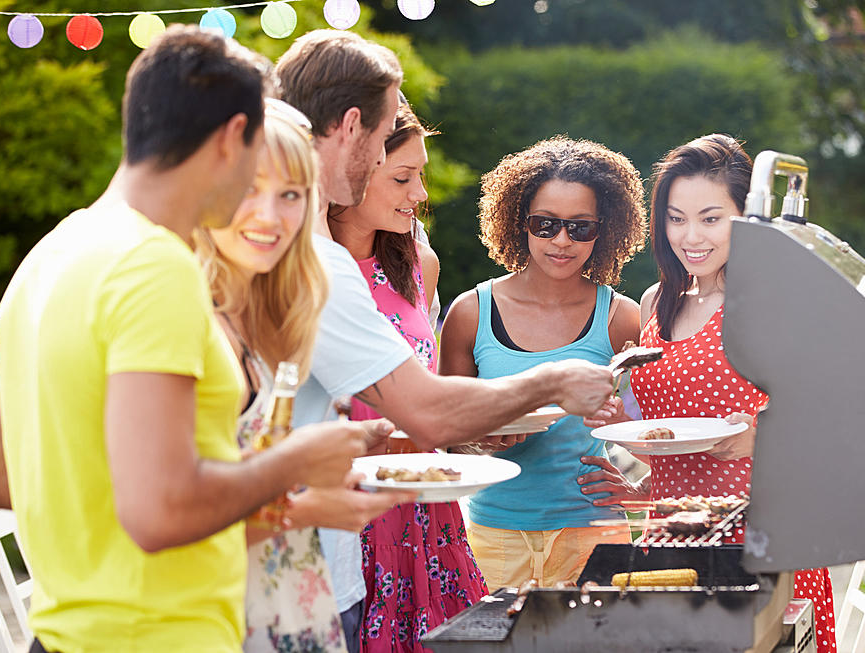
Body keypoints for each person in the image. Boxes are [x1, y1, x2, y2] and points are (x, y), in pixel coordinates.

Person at [0, 27, 366, 653]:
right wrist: (298, 460)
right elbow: (162, 511)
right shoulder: (156, 266)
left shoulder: (53, 251)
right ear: (229, 137)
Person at [276, 30, 615, 651]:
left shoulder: (397, 262)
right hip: (323, 540)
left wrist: (471, 430)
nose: (419, 194)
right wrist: (552, 380)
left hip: (393, 526)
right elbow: (424, 405)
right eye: (390, 160)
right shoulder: (307, 262)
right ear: (353, 131)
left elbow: (415, 409)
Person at [579, 134, 837, 653]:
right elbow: (671, 433)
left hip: (763, 545)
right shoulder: (659, 300)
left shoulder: (771, 302)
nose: (690, 236)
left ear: (747, 218)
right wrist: (633, 464)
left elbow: (832, 421)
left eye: (711, 218)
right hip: (674, 536)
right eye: (676, 218)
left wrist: (761, 437)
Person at [195, 99, 413, 652]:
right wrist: (305, 498)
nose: (271, 215)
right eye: (249, 188)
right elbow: (159, 516)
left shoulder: (263, 304)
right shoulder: (178, 308)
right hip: (221, 616)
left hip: (296, 598)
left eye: (291, 194)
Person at [437, 135, 648, 589]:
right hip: (492, 535)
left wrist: (633, 474)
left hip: (593, 533)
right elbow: (445, 434)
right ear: (519, 222)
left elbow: (653, 428)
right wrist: (482, 441)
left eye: (581, 227)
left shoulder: (620, 317)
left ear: (605, 229)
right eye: (545, 224)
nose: (563, 241)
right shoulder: (471, 313)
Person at [330, 104, 488, 652]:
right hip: (346, 515)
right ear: (349, 169)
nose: (419, 193)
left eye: (419, 176)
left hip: (426, 511)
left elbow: (426, 390)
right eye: (403, 177)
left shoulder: (421, 263)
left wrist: (477, 432)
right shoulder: (300, 272)